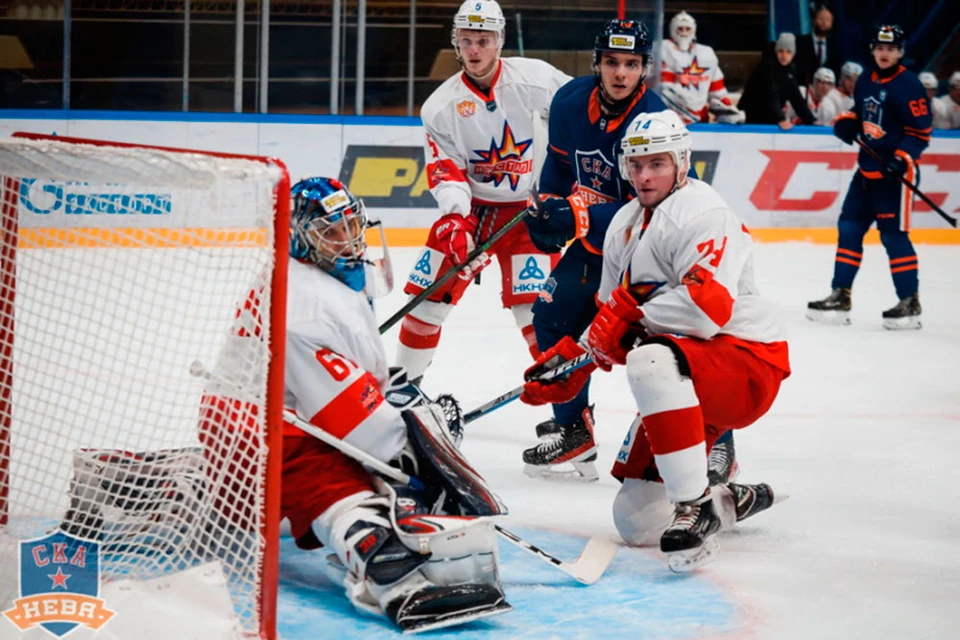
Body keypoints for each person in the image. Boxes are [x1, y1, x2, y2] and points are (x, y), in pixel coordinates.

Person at [200, 177, 512, 633]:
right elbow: (359, 427)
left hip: (250, 422)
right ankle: (391, 574)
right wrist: (419, 449)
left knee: (234, 505)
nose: (348, 240)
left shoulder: (316, 278)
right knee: (345, 489)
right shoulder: (305, 306)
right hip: (262, 435)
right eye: (331, 232)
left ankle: (129, 475)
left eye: (351, 225)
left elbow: (344, 378)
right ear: (300, 239)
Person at [519, 111, 790, 571]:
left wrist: (631, 317)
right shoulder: (624, 224)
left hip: (746, 363)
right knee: (637, 522)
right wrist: (572, 364)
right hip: (683, 372)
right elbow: (612, 321)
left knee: (649, 359)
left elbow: (708, 312)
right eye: (637, 165)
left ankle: (694, 504)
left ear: (682, 164)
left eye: (657, 164)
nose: (645, 176)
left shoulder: (704, 213)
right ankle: (725, 501)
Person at [518, 18, 731, 484]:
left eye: (630, 64)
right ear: (597, 63)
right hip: (599, 245)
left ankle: (718, 441)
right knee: (551, 317)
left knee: (668, 346)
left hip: (648, 244)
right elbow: (556, 169)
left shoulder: (654, 119)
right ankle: (575, 429)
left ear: (644, 70)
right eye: (611, 62)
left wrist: (578, 217)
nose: (619, 73)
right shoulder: (570, 101)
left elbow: (653, 200)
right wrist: (548, 212)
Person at [395, 0, 571, 385]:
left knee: (535, 312)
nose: (475, 50)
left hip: (530, 212)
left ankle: (566, 413)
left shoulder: (537, 80)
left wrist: (563, 187)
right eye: (467, 40)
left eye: (484, 40)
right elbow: (446, 170)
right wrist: (455, 218)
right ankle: (403, 392)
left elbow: (580, 116)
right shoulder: (439, 107)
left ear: (500, 41)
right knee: (425, 303)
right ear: (456, 43)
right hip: (472, 211)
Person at [808, 25, 933, 330]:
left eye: (891, 49)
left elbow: (921, 133)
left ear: (900, 52)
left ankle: (909, 300)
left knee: (892, 237)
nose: (885, 53)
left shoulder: (910, 85)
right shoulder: (866, 79)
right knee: (849, 228)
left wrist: (901, 158)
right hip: (866, 171)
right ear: (873, 50)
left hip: (895, 176)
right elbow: (860, 112)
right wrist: (846, 122)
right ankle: (841, 294)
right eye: (880, 48)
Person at [659, 11, 745, 124]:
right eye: (680, 29)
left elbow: (717, 91)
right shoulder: (664, 49)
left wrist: (727, 108)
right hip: (671, 120)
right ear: (672, 30)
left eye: (687, 29)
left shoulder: (706, 53)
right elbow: (664, 89)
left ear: (693, 30)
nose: (684, 33)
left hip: (701, 120)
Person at [738, 33, 817, 129]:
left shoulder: (790, 69)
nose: (784, 56)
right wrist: (780, 119)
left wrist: (811, 120)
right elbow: (771, 93)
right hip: (751, 118)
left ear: (793, 54)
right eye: (781, 51)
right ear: (776, 51)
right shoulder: (768, 66)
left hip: (767, 118)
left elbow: (796, 98)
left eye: (788, 52)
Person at [795, 5, 842, 85]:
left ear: (831, 24)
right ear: (814, 20)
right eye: (821, 19)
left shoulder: (835, 46)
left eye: (827, 20)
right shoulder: (800, 42)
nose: (824, 23)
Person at [819, 61, 863, 125]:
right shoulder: (830, 98)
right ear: (842, 78)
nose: (853, 84)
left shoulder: (858, 98)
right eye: (850, 80)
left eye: (856, 81)